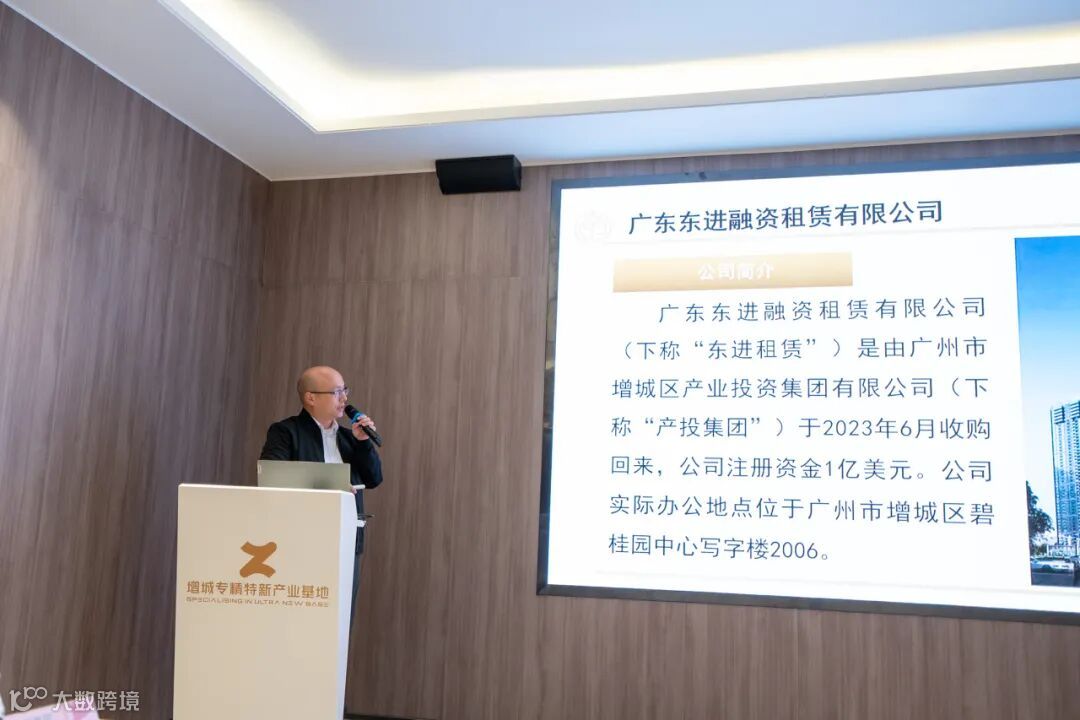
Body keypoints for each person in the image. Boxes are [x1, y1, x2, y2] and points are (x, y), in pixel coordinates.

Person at [258, 365, 383, 632]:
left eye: (345, 390)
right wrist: (329, 486)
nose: (344, 398)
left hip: (346, 542)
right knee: (298, 625)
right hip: (300, 541)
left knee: (338, 626)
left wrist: (364, 442)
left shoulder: (350, 438)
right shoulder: (286, 432)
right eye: (336, 392)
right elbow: (272, 477)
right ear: (311, 397)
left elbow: (374, 479)